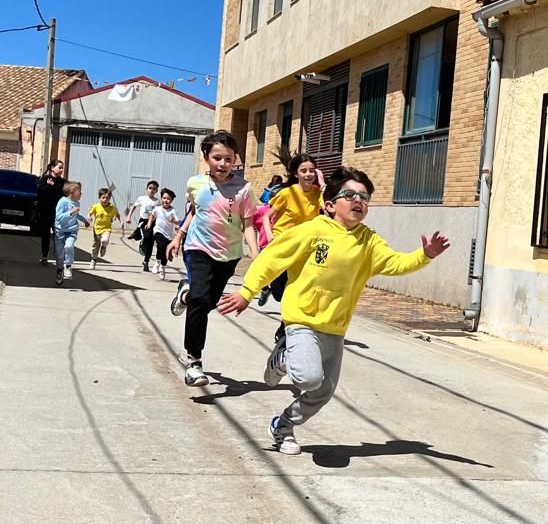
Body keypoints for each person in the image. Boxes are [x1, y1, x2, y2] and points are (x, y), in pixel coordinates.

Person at [218, 166, 449, 455]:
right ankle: (285, 354)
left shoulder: (369, 241)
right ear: (329, 205)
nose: (358, 200)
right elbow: (271, 259)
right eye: (349, 194)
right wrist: (246, 291)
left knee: (322, 391)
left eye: (364, 197)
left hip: (335, 327)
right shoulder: (313, 230)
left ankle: (283, 426)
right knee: (307, 378)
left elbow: (394, 263)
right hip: (302, 319)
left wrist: (424, 256)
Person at [167, 131, 258, 386]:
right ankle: (194, 360)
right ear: (206, 157)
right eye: (217, 157)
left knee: (206, 302)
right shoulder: (195, 183)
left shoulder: (244, 189)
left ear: (235, 160)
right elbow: (195, 211)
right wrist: (178, 237)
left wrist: (256, 252)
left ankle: (185, 293)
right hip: (198, 248)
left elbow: (248, 224)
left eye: (228, 159)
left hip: (228, 255)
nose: (222, 163)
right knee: (200, 299)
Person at [257, 154, 323, 311]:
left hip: (304, 246)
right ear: (296, 174)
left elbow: (327, 209)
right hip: (283, 242)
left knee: (298, 288)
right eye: (304, 171)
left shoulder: (318, 193)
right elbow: (266, 216)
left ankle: (286, 326)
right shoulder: (287, 193)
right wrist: (270, 236)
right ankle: (272, 289)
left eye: (312, 171)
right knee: (280, 293)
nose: (308, 174)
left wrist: (323, 183)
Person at [54, 181, 91, 285]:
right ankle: (59, 270)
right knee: (60, 255)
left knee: (69, 246)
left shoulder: (76, 203)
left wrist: (85, 220)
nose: (81, 193)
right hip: (59, 232)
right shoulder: (62, 202)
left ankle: (68, 266)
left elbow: (77, 214)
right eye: (79, 191)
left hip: (71, 231)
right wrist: (70, 212)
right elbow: (59, 217)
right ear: (72, 192)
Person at [34, 159, 66, 266]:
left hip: (58, 213)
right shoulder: (44, 179)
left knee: (58, 235)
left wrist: (54, 186)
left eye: (62, 168)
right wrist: (48, 186)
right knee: (45, 235)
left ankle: (58, 255)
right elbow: (39, 193)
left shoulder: (62, 182)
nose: (61, 170)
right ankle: (44, 256)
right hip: (45, 212)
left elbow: (64, 194)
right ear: (52, 168)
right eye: (59, 167)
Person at [149, 187, 182, 281]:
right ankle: (157, 262)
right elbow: (152, 215)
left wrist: (174, 222)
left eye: (168, 199)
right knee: (161, 246)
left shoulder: (172, 211)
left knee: (165, 253)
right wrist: (149, 223)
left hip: (169, 235)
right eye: (164, 198)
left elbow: (178, 222)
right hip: (158, 231)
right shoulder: (157, 209)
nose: (166, 200)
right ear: (161, 198)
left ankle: (162, 268)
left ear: (171, 201)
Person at [127, 180, 160, 271]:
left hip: (153, 222)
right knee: (147, 237)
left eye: (154, 189)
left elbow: (159, 213)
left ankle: (146, 261)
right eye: (150, 188)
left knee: (150, 242)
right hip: (143, 221)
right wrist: (129, 216)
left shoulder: (157, 202)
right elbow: (134, 206)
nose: (151, 190)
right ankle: (141, 238)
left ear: (156, 191)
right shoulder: (141, 198)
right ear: (146, 189)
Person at [87, 187, 119, 268]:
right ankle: (93, 259)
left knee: (105, 240)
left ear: (110, 198)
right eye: (103, 198)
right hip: (96, 228)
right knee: (96, 245)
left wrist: (121, 221)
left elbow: (117, 214)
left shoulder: (112, 208)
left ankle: (104, 247)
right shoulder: (96, 206)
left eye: (107, 198)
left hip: (107, 228)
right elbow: (90, 213)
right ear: (99, 198)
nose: (105, 200)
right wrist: (89, 217)